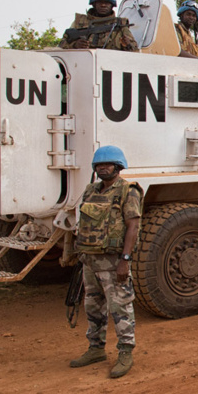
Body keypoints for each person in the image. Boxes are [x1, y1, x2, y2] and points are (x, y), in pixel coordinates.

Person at [70, 146, 143, 378]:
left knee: (120, 306)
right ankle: (95, 349)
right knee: (93, 306)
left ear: (118, 166)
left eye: (108, 164)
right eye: (99, 165)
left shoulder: (127, 191)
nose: (103, 168)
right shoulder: (91, 190)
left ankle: (125, 351)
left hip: (113, 262)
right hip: (90, 261)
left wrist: (125, 260)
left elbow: (133, 226)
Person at [59, 0, 138, 52]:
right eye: (100, 2)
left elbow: (135, 51)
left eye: (107, 2)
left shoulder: (120, 24)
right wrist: (75, 45)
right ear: (94, 4)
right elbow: (61, 45)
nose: (103, 5)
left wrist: (127, 45)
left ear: (112, 5)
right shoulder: (80, 22)